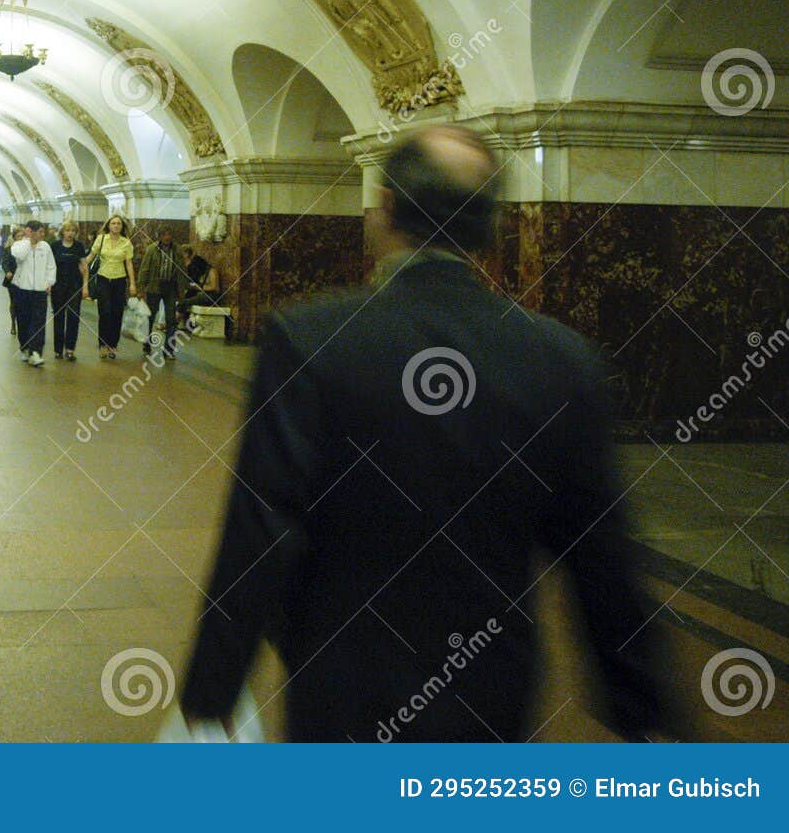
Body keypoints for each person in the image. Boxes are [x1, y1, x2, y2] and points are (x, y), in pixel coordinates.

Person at [181, 126, 670, 742]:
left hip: (342, 679)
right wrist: (644, 713)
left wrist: (212, 688)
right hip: (491, 682)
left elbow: (259, 529)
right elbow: (601, 556)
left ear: (385, 208)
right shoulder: (561, 359)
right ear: (492, 227)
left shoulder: (311, 341)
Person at [85, 213, 136, 359]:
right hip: (103, 279)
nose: (116, 226)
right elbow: (91, 256)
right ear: (108, 225)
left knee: (117, 313)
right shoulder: (101, 239)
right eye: (113, 223)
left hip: (119, 281)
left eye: (119, 223)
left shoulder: (126, 243)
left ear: (122, 226)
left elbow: (129, 263)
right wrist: (80, 266)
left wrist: (132, 284)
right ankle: (102, 345)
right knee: (105, 312)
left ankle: (113, 345)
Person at [137, 230, 191, 360]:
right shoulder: (152, 249)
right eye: (164, 234)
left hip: (171, 287)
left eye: (169, 234)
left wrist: (182, 289)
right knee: (150, 317)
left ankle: (169, 350)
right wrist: (141, 288)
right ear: (159, 236)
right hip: (154, 287)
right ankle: (147, 344)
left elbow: (182, 269)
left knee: (171, 319)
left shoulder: (177, 250)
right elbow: (144, 269)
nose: (167, 237)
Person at [9, 220, 57, 366]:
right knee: (23, 320)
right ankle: (25, 347)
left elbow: (51, 266)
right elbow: (20, 256)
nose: (43, 235)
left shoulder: (45, 247)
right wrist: (28, 240)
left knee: (39, 322)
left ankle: (36, 352)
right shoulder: (19, 245)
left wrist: (49, 282)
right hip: (22, 289)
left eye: (43, 232)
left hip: (40, 291)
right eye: (40, 232)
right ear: (30, 231)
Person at [49, 220, 88, 361]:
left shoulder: (79, 246)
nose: (70, 233)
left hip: (74, 286)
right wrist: (48, 283)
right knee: (59, 317)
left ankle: (70, 349)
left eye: (73, 230)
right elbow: (50, 266)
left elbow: (84, 267)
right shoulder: (55, 246)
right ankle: (58, 349)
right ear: (62, 232)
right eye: (67, 230)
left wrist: (85, 286)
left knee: (73, 317)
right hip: (58, 286)